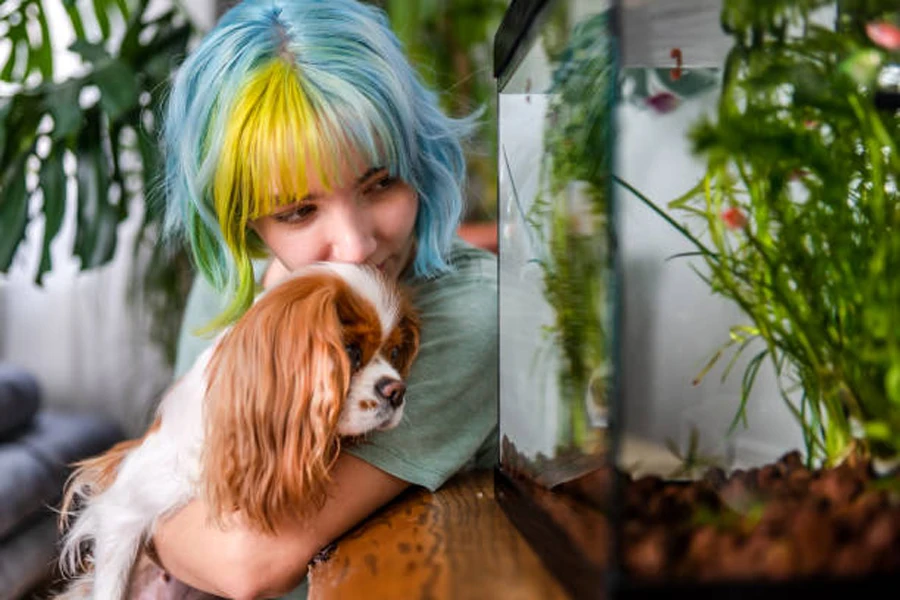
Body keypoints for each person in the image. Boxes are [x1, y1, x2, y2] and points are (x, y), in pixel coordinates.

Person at [139, 0, 498, 598]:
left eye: (381, 182)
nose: (356, 246)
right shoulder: (229, 286)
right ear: (243, 223)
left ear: (423, 159)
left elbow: (242, 562)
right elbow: (174, 475)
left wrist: (135, 516)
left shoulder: (469, 313)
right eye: (299, 210)